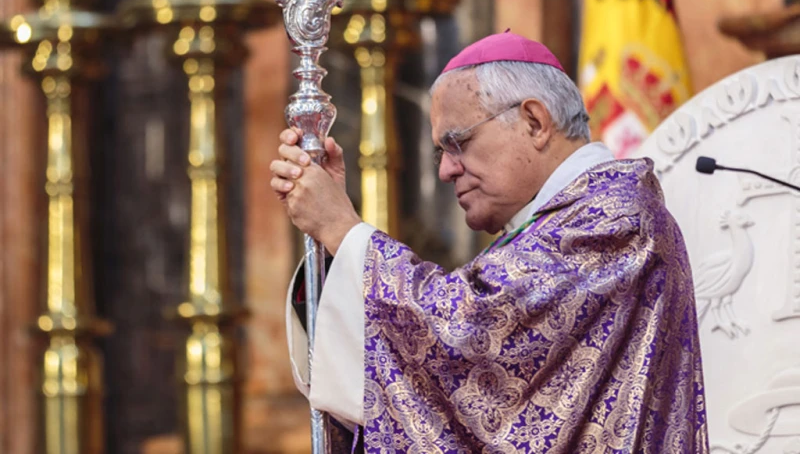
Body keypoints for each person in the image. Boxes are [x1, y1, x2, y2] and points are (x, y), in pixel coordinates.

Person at [269, 31, 709, 453]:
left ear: (535, 122)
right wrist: (336, 249)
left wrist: (342, 229)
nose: (445, 171)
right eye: (441, 152)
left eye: (457, 142)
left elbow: (467, 333)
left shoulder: (612, 219)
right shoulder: (561, 220)